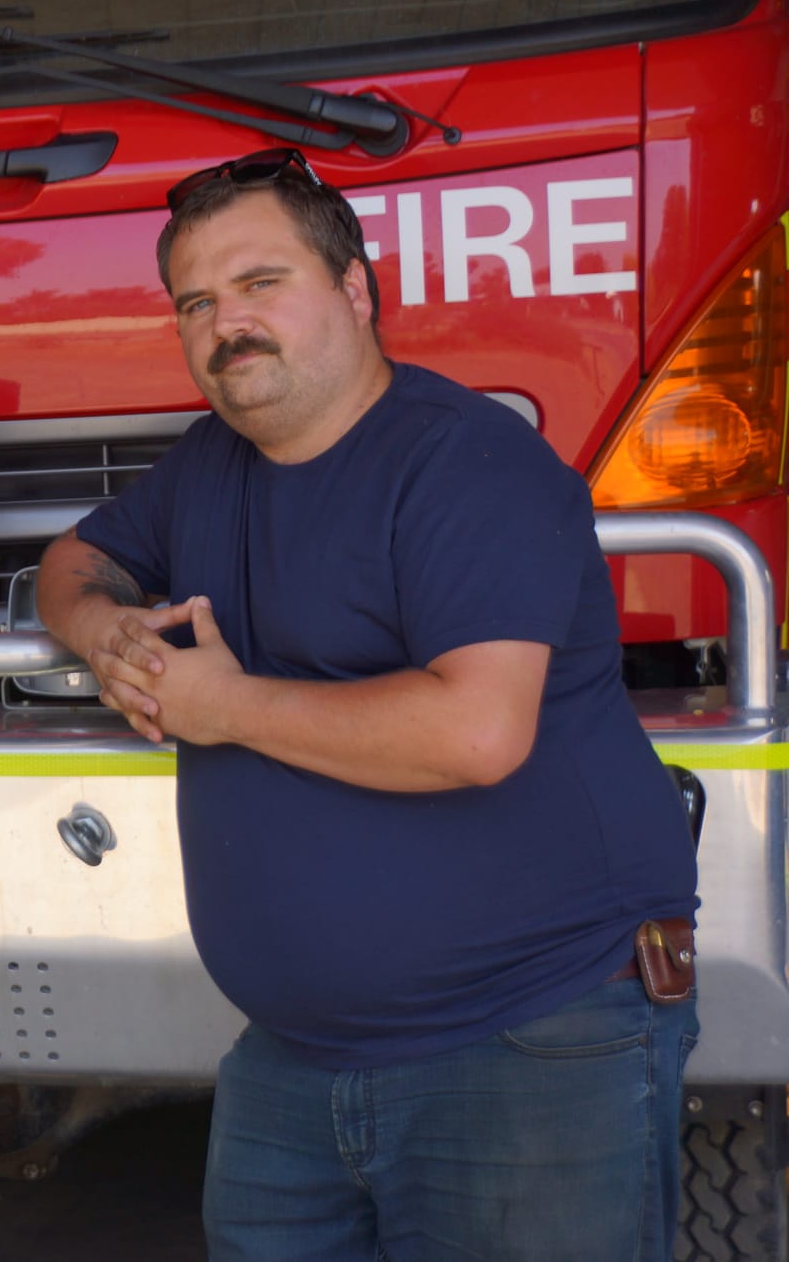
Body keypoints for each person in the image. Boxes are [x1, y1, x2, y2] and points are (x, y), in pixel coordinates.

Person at [36, 147, 699, 1260]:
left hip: (525, 1041)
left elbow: (475, 731)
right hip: (290, 1060)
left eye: (259, 285)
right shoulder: (208, 464)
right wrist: (103, 630)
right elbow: (72, 560)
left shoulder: (466, 464)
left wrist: (226, 705)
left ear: (352, 289)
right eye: (194, 302)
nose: (223, 324)